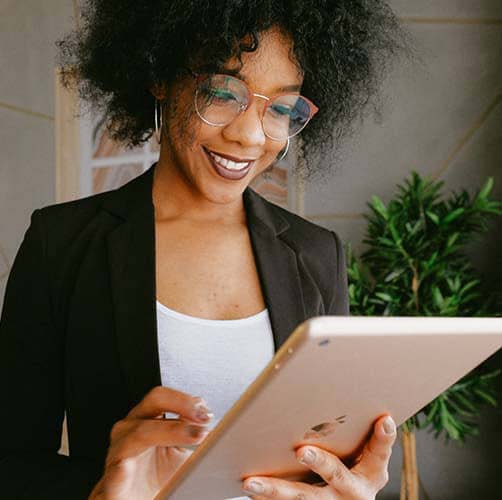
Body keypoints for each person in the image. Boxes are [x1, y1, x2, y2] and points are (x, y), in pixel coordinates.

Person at [0, 1, 413, 498]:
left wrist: (350, 487)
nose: (250, 135)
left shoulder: (316, 252)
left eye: (280, 108)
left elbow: (326, 452)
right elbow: (13, 463)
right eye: (221, 93)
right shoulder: (62, 244)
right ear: (160, 74)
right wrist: (101, 491)